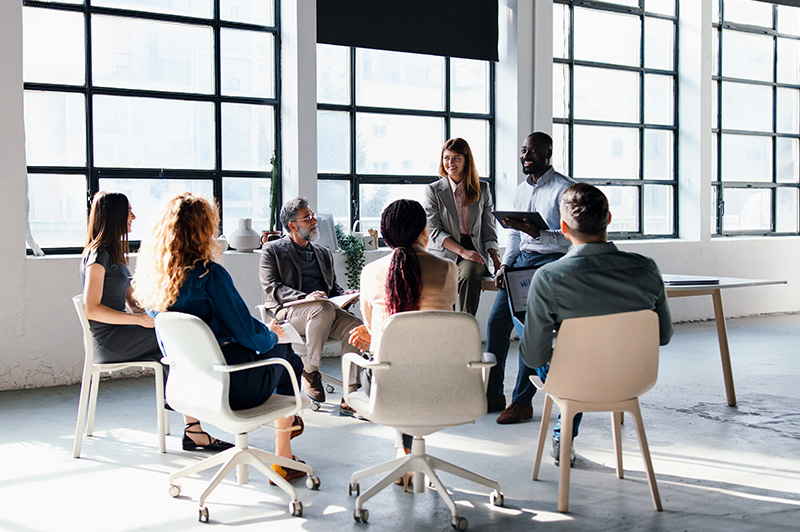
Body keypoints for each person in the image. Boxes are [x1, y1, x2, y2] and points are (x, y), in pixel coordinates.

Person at [133, 192, 306, 481]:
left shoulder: (155, 283)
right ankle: (283, 456)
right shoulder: (209, 275)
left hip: (188, 387)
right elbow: (250, 336)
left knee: (272, 350)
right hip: (232, 385)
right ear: (201, 230)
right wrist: (272, 335)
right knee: (288, 356)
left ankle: (287, 430)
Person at [520, 183, 673, 465]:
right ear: (609, 219)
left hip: (574, 380)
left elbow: (533, 358)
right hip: (632, 379)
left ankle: (562, 436)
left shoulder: (548, 277)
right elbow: (663, 335)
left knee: (540, 336)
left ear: (563, 227)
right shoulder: (647, 268)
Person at [80, 191, 231, 452]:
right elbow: (91, 309)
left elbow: (133, 301)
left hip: (121, 334)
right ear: (115, 216)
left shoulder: (113, 255)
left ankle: (192, 426)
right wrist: (139, 321)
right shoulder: (97, 255)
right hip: (109, 341)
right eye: (128, 212)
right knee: (178, 341)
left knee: (173, 341)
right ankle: (194, 422)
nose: (133, 217)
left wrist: (158, 307)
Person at [348, 199, 458, 491]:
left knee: (393, 363)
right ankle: (406, 453)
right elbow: (447, 319)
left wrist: (377, 335)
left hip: (386, 386)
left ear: (385, 236)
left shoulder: (371, 272)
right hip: (442, 383)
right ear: (424, 231)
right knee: (414, 362)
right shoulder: (448, 269)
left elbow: (372, 327)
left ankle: (403, 453)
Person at [488, 132, 575, 423]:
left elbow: (571, 236)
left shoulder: (565, 189)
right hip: (520, 261)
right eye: (524, 150)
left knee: (531, 330)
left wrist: (538, 233)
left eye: (533, 151)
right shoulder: (520, 190)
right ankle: (492, 395)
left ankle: (522, 402)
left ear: (548, 153)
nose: (526, 156)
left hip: (550, 263)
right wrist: (505, 264)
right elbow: (513, 235)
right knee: (497, 322)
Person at [259, 196, 363, 415]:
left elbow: (332, 289)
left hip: (323, 311)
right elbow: (272, 288)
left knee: (355, 327)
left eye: (312, 215)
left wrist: (345, 295)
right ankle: (311, 370)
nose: (314, 220)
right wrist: (306, 297)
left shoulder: (323, 252)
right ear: (292, 226)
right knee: (322, 309)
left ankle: (350, 395)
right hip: (289, 313)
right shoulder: (272, 250)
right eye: (307, 218)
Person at [423, 137, 500, 315]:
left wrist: (495, 258)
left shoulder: (482, 189)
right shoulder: (433, 190)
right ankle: (446, 327)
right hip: (443, 252)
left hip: (474, 251)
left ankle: (466, 324)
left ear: (466, 161)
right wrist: (462, 251)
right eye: (446, 158)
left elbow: (488, 228)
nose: (450, 163)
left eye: (456, 158)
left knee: (469, 274)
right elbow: (434, 231)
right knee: (442, 289)